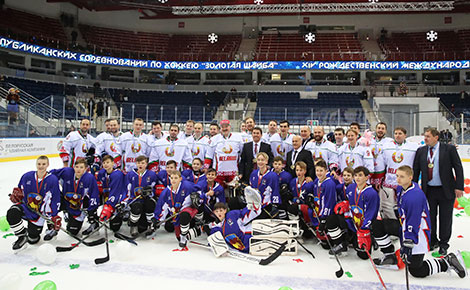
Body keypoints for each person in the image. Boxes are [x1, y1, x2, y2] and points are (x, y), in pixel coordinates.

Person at [372, 165, 466, 279]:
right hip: (405, 227)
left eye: (402, 176)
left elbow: (414, 221)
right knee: (378, 225)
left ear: (410, 177)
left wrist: (409, 240)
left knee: (416, 270)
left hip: (418, 233)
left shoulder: (414, 197)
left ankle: (446, 262)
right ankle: (389, 256)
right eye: (397, 176)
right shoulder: (402, 188)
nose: (398, 179)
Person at [412, 127, 464, 255]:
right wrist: (412, 188)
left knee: (445, 218)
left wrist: (459, 187)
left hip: (446, 190)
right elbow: (416, 170)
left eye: (428, 136)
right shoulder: (421, 151)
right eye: (424, 136)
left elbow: (458, 167)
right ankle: (432, 240)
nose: (425, 139)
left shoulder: (449, 149)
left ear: (436, 137)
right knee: (430, 217)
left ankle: (444, 243)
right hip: (428, 190)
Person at [6, 156, 61, 250]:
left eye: (43, 164)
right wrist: (16, 197)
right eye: (39, 164)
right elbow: (19, 190)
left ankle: (31, 234)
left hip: (38, 214)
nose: (41, 166)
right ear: (36, 164)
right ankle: (22, 236)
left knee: (33, 240)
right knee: (12, 213)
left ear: (48, 165)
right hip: (26, 207)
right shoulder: (27, 176)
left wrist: (53, 216)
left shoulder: (52, 180)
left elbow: (55, 199)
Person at [327, 166, 379, 259]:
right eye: (356, 175)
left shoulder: (371, 193)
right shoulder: (351, 187)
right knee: (331, 219)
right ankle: (341, 244)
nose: (357, 178)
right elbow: (351, 202)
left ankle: (372, 239)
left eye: (360, 175)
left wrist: (364, 230)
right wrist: (346, 204)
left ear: (367, 177)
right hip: (352, 222)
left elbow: (371, 213)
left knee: (363, 256)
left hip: (364, 227)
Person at [49, 158, 99, 239]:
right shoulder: (67, 172)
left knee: (72, 232)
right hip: (66, 201)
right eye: (77, 167)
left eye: (81, 167)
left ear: (86, 169)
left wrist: (92, 210)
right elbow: (51, 174)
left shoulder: (89, 178)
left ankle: (94, 223)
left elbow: (94, 194)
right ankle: (51, 227)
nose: (78, 169)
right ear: (73, 167)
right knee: (49, 204)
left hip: (79, 205)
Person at [377, 127, 418, 220]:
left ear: (405, 135)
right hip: (389, 182)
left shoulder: (413, 147)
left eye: (400, 133)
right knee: (388, 208)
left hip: (405, 184)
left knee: (405, 207)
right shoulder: (386, 147)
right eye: (395, 133)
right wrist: (379, 179)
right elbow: (381, 164)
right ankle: (391, 227)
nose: (397, 135)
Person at [208, 188, 263, 254]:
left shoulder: (231, 215)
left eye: (221, 211)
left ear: (225, 210)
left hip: (252, 241)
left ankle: (254, 204)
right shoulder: (216, 227)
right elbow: (214, 241)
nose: (219, 213)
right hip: (240, 249)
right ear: (214, 213)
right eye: (217, 211)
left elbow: (245, 215)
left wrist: (253, 207)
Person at [151, 171, 198, 247]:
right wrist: (157, 220)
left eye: (176, 178)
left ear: (180, 179)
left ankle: (184, 237)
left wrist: (200, 198)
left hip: (188, 210)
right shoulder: (166, 192)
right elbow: (162, 206)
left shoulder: (187, 186)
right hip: (175, 216)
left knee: (184, 214)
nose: (173, 180)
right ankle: (193, 232)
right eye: (171, 178)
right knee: (177, 235)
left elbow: (199, 191)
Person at [125, 155, 158, 237]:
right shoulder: (130, 175)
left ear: (146, 164)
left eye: (143, 163)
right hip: (135, 200)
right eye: (139, 163)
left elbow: (154, 188)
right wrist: (126, 201)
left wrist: (150, 192)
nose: (140, 165)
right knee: (136, 207)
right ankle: (134, 225)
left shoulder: (152, 175)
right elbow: (127, 189)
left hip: (146, 200)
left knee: (150, 204)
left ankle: (150, 225)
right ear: (136, 164)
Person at [204, 120, 243, 187]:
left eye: (226, 126)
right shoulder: (214, 139)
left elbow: (241, 153)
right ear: (220, 129)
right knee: (219, 191)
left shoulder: (238, 138)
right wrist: (206, 167)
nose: (224, 128)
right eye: (222, 127)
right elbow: (209, 155)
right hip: (218, 173)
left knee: (233, 193)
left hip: (233, 172)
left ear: (230, 127)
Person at [97, 155, 127, 232]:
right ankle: (94, 224)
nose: (106, 164)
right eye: (104, 163)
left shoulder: (117, 175)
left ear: (113, 163)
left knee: (115, 227)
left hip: (117, 200)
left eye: (108, 162)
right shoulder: (101, 173)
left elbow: (116, 192)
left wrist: (108, 207)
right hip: (106, 198)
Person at [247, 152, 280, 218]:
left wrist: (275, 205)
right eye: (258, 160)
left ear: (266, 161)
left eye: (262, 160)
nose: (260, 162)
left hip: (266, 206)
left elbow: (275, 190)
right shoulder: (254, 173)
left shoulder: (272, 175)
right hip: (255, 206)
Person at [369, 122, 393, 187]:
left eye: (383, 129)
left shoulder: (389, 141)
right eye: (379, 128)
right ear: (376, 129)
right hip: (369, 172)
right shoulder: (369, 140)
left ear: (385, 131)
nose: (380, 130)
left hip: (382, 172)